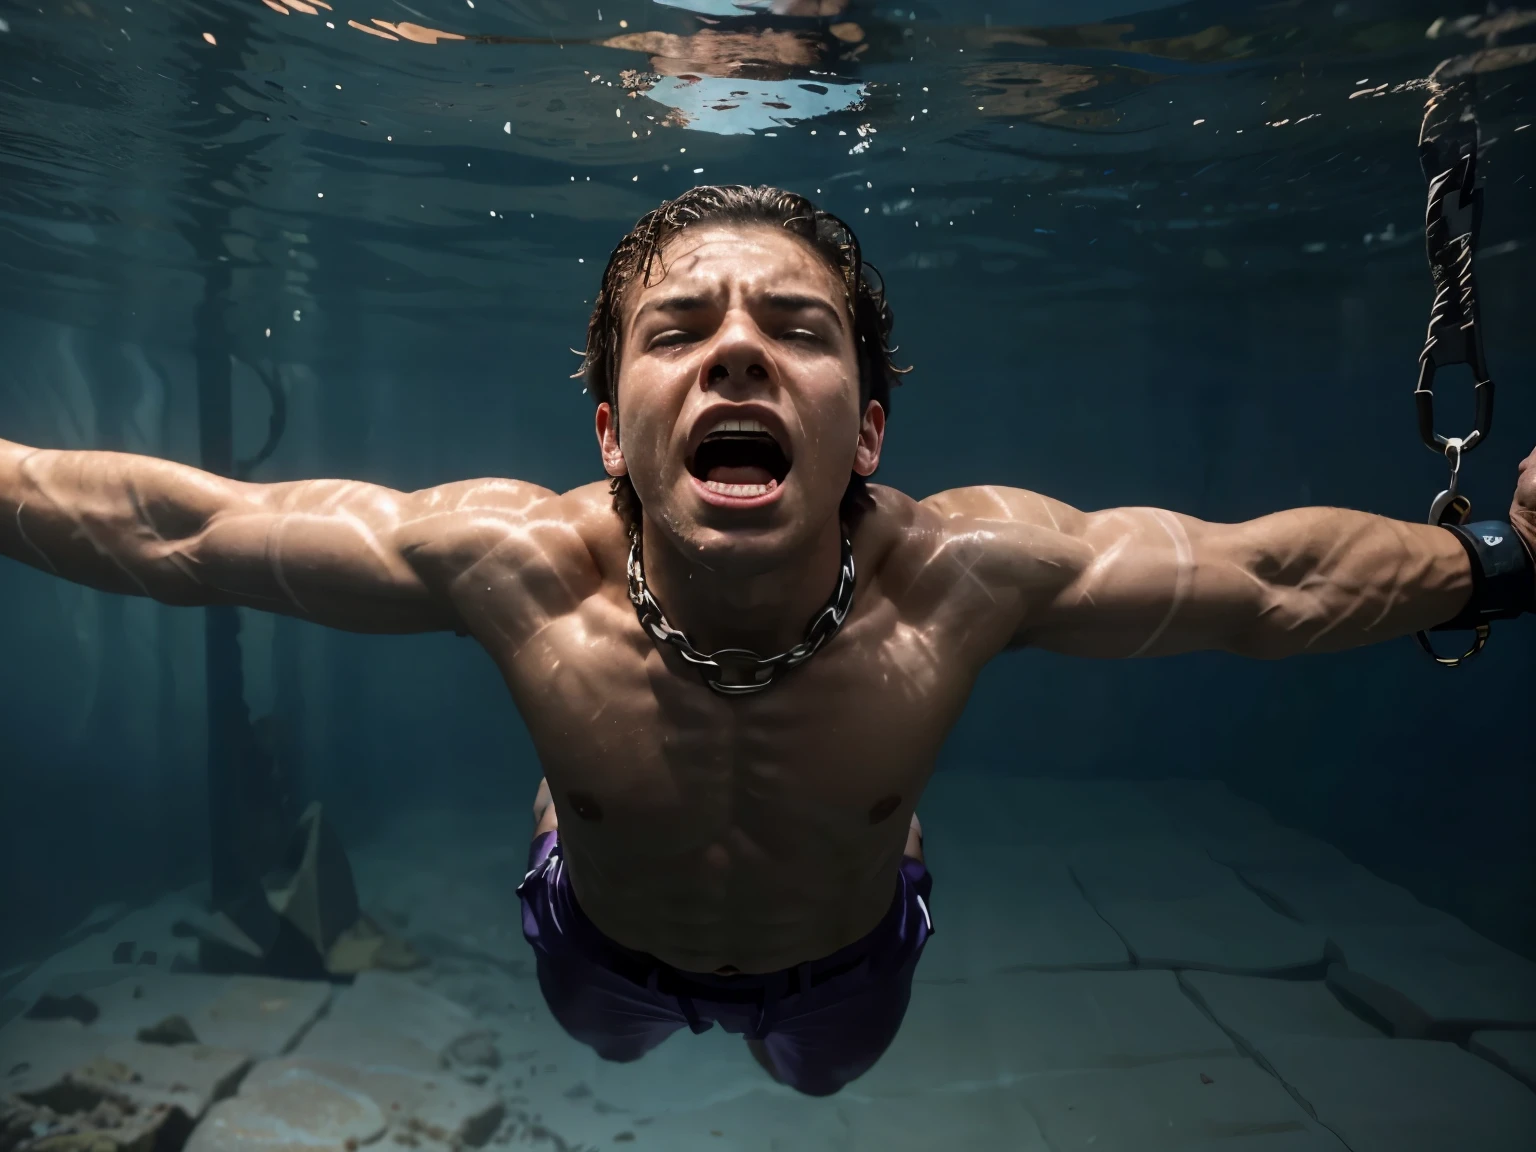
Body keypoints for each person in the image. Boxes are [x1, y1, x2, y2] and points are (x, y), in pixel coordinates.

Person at [2, 185, 1531, 1096]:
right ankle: (582, 811)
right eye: (681, 330)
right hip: (592, 949)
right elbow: (180, 529)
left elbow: (1266, 578)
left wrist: (1500, 559)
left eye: (796, 327)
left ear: (866, 427)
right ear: (611, 430)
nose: (736, 343)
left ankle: (857, 829)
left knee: (822, 1074)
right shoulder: (515, 563)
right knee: (605, 1039)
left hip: (843, 976)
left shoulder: (968, 573)